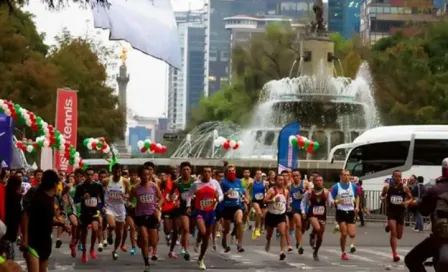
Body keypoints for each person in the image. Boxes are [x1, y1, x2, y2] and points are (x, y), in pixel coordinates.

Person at [22, 170, 70, 272]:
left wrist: (62, 224)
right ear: (55, 184)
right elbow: (26, 215)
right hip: (32, 242)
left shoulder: (52, 198)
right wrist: (25, 239)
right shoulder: (37, 196)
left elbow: (47, 219)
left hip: (45, 243)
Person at [405, 158, 448, 272]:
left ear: (443, 170)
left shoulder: (435, 190)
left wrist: (413, 204)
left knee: (412, 259)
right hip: (441, 239)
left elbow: (424, 210)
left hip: (441, 238)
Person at [187, 167, 223, 270]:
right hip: (200, 211)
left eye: (209, 172)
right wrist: (188, 206)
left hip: (210, 212)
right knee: (202, 231)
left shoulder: (215, 183)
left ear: (211, 173)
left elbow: (220, 194)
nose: (207, 173)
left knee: (207, 237)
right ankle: (198, 240)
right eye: (205, 172)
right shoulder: (196, 184)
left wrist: (218, 199)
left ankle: (201, 258)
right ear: (202, 173)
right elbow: (189, 195)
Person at [130, 166, 163, 272]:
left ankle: (149, 246)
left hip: (152, 215)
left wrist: (158, 206)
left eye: (148, 175)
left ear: (150, 175)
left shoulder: (153, 186)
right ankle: (146, 263)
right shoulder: (135, 188)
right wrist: (131, 205)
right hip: (140, 216)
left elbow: (161, 198)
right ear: (140, 176)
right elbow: (131, 200)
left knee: (153, 241)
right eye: (143, 175)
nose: (146, 177)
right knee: (145, 238)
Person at [381, 170, 412, 262]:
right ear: (393, 177)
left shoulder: (404, 188)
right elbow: (382, 196)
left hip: (400, 212)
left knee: (399, 236)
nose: (398, 178)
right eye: (396, 176)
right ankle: (395, 254)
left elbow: (411, 198)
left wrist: (406, 202)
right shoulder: (387, 187)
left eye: (399, 176)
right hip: (391, 212)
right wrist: (383, 198)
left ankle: (390, 227)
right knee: (393, 233)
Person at [74, 168, 104, 263]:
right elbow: (75, 200)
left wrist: (100, 208)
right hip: (84, 212)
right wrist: (83, 197)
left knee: (95, 229)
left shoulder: (98, 186)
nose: (90, 177)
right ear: (85, 176)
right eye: (88, 175)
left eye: (92, 174)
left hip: (94, 211)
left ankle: (92, 249)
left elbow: (102, 199)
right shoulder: (80, 186)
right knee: (84, 232)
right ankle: (84, 252)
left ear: (94, 175)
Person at [330, 170, 359, 260]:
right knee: (344, 233)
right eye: (344, 175)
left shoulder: (353, 186)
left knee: (352, 234)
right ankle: (343, 252)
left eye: (348, 175)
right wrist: (337, 201)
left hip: (350, 211)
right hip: (341, 211)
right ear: (340, 176)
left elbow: (357, 196)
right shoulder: (336, 187)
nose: (346, 177)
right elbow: (330, 199)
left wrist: (357, 206)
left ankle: (338, 227)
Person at [104, 164, 131, 260]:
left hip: (120, 208)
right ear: (112, 172)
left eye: (119, 172)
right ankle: (109, 234)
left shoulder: (125, 181)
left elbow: (129, 195)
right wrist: (103, 204)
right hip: (109, 207)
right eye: (115, 172)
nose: (117, 174)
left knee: (119, 233)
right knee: (112, 225)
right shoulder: (106, 181)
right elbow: (101, 192)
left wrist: (126, 196)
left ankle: (115, 250)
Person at [301, 174, 330, 260]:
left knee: (320, 235)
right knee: (317, 228)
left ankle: (316, 251)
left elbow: (331, 202)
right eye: (317, 181)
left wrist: (334, 202)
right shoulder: (309, 192)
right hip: (312, 214)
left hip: (322, 215)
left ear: (323, 182)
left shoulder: (326, 192)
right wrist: (303, 212)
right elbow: (303, 202)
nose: (319, 182)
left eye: (320, 180)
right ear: (314, 182)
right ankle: (313, 234)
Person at [263, 174, 289, 260]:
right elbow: (265, 200)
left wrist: (288, 206)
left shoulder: (286, 191)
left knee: (282, 233)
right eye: (279, 180)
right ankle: (268, 240)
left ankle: (282, 251)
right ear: (276, 181)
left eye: (282, 180)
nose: (281, 181)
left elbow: (287, 201)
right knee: (269, 234)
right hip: (271, 215)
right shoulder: (272, 190)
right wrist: (273, 200)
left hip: (281, 215)